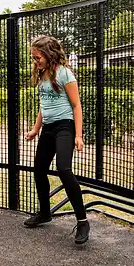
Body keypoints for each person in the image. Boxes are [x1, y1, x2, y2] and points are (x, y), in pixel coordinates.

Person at [23, 35, 89, 244]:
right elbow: (44, 106)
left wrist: (78, 135)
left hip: (65, 126)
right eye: (33, 58)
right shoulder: (42, 74)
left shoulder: (64, 73)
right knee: (39, 169)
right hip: (49, 128)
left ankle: (82, 220)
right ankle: (45, 213)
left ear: (49, 54)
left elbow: (76, 105)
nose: (35, 61)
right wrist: (35, 129)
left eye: (37, 57)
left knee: (63, 169)